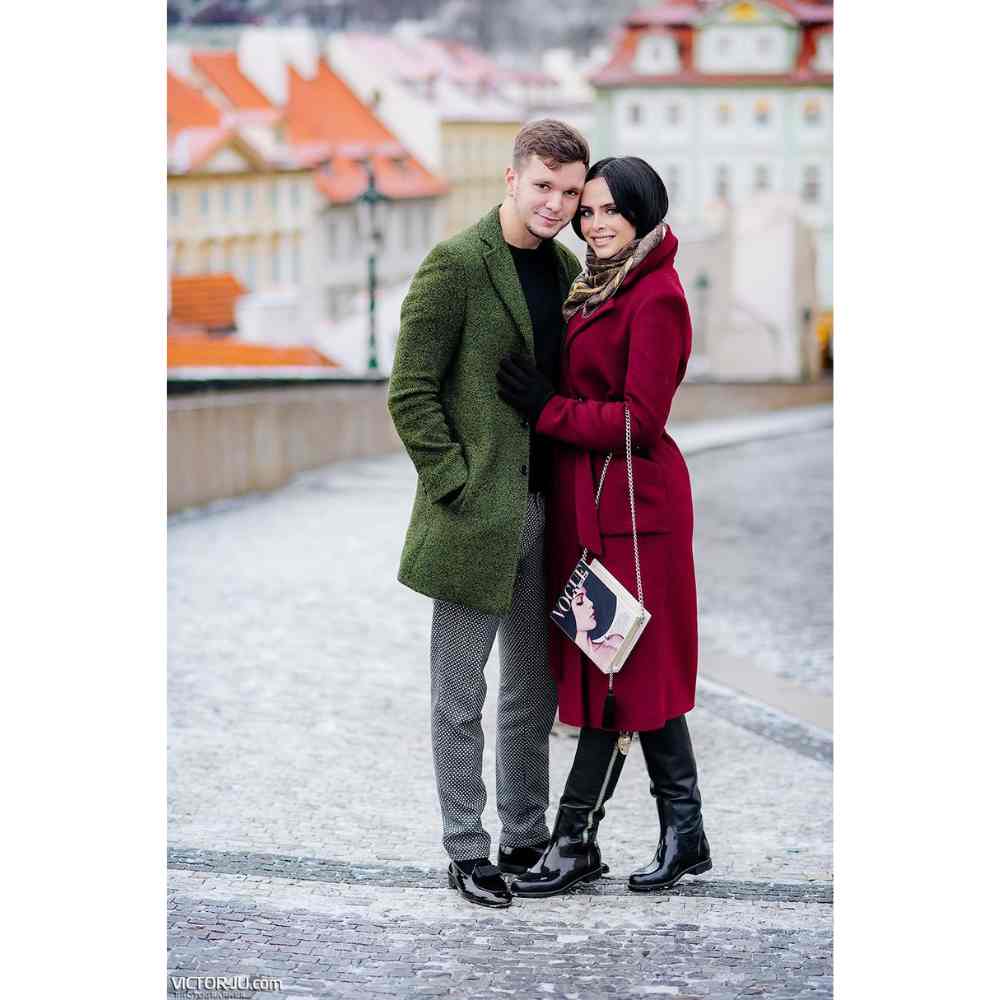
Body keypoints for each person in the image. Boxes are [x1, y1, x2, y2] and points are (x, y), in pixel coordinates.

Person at [496, 156, 712, 897]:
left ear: (645, 211)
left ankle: (573, 841)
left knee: (613, 677)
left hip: (633, 512)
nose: (596, 223)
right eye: (587, 211)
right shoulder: (598, 285)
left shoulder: (656, 297)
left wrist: (547, 407)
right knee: (623, 671)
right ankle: (685, 831)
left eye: (612, 210)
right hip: (592, 505)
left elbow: (642, 421)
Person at [387, 120, 590, 908]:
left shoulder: (568, 268)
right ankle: (466, 849)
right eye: (544, 186)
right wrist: (458, 483)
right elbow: (410, 390)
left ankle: (524, 837)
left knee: (531, 694)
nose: (556, 204)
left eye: (571, 192)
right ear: (511, 179)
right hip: (478, 515)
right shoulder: (458, 264)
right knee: (459, 690)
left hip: (548, 508)